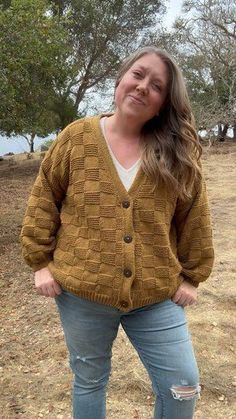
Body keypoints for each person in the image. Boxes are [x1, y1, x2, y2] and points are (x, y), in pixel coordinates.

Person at [21, 46, 214, 419]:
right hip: (82, 293)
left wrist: (192, 277)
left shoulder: (176, 153)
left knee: (183, 385)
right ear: (120, 79)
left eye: (157, 86)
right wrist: (39, 262)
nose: (143, 87)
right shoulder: (77, 138)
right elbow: (44, 196)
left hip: (155, 295)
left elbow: (195, 218)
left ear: (163, 103)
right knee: (90, 381)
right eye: (138, 75)